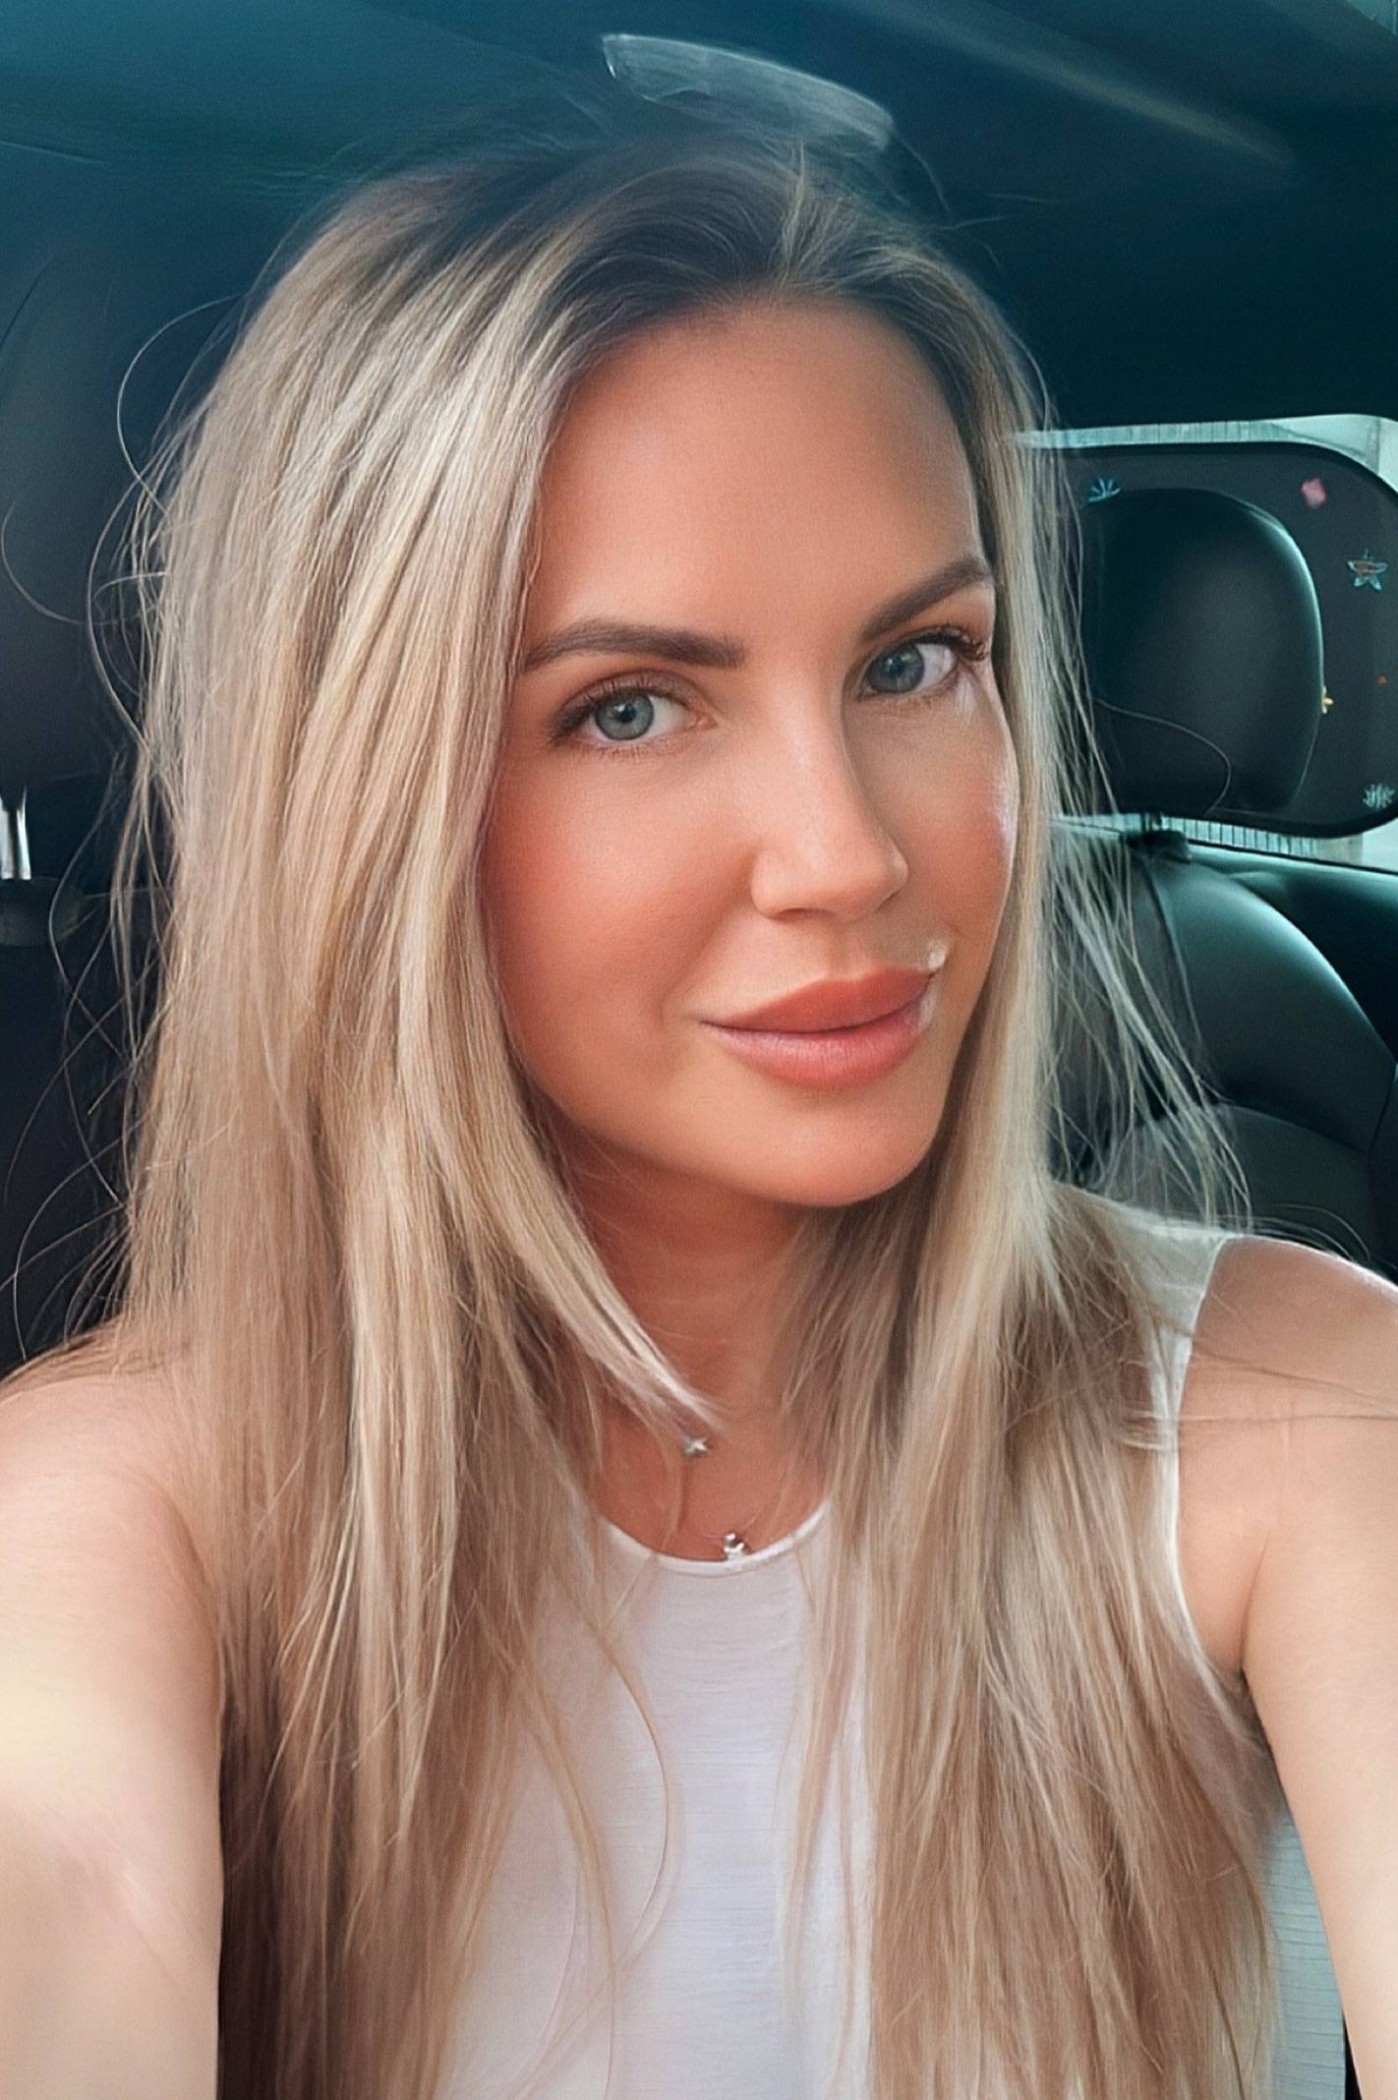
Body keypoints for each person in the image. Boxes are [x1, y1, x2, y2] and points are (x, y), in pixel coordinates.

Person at [0, 80, 1394, 2100]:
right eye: (630, 707)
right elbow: (65, 1889)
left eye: (913, 663)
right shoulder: (118, 1507)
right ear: (369, 807)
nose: (846, 854)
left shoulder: (1304, 1413)